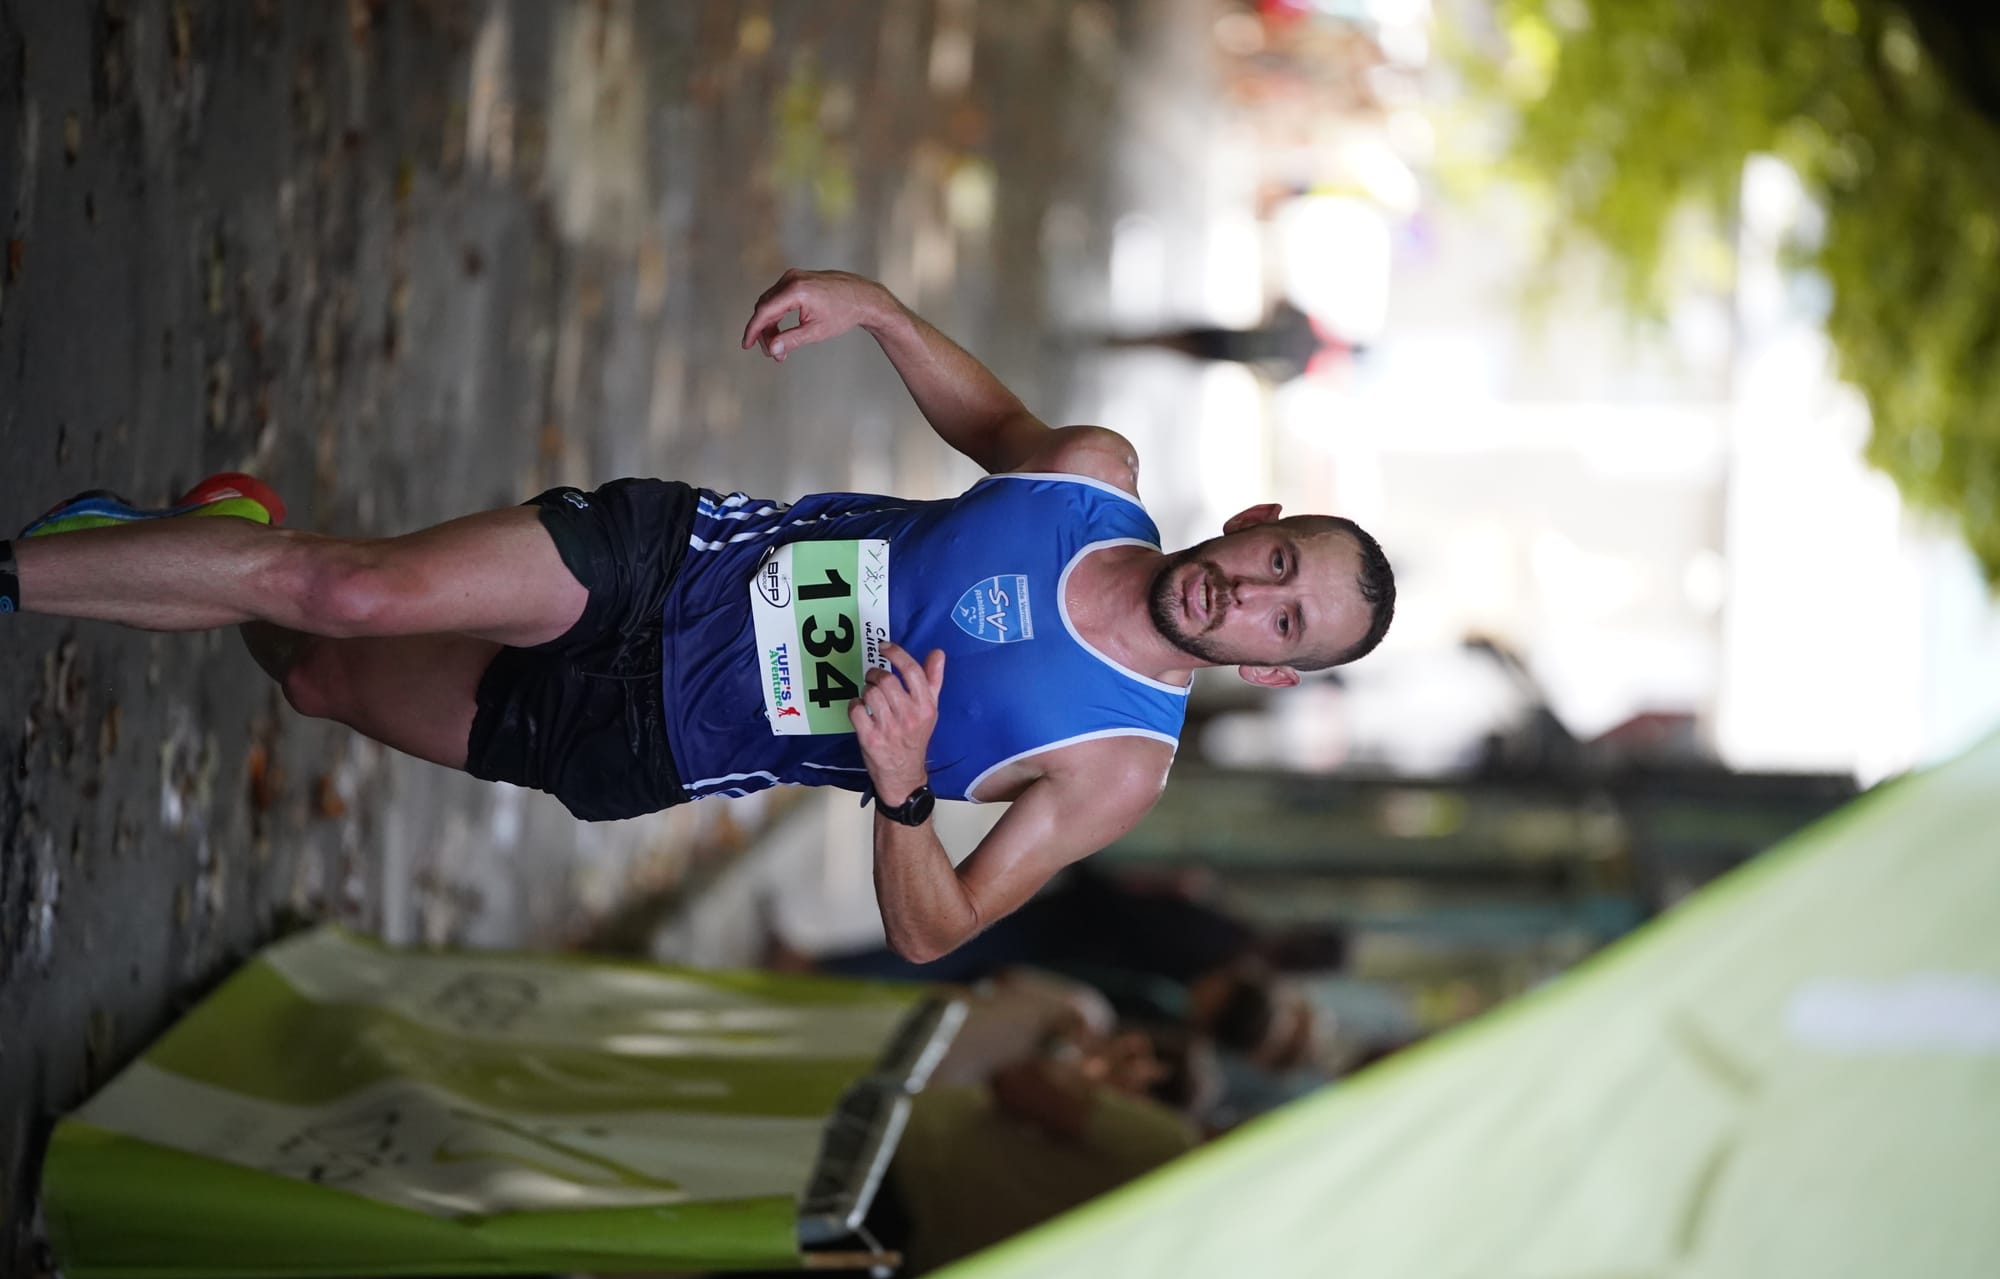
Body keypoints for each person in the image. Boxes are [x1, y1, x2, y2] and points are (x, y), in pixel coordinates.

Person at [1, 269, 1395, 962]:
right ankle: (48, 570)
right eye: (1280, 569)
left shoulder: (1117, 765)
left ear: (1276, 678)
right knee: (348, 589)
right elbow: (999, 422)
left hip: (654, 733)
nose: (1252, 600)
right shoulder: (1096, 482)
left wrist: (902, 795)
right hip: (671, 562)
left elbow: (938, 931)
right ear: (1261, 521)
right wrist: (878, 309)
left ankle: (195, 549)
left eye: (1288, 628)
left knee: (315, 672)